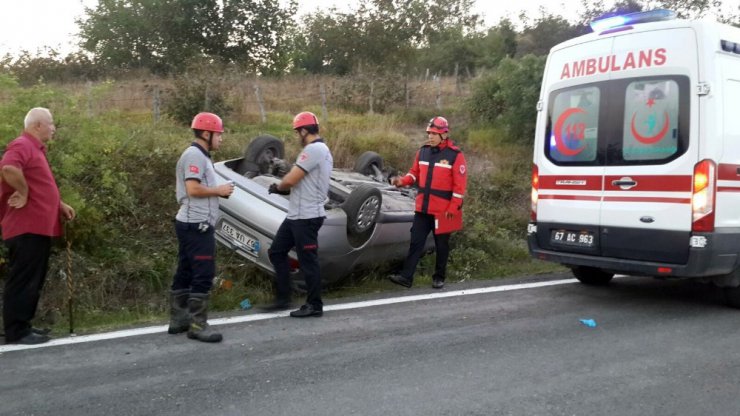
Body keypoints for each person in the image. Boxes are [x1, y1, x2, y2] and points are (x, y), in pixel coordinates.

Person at [0, 107, 75, 345]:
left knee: (33, 278)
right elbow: (8, 168)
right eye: (51, 124)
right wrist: (22, 192)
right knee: (24, 279)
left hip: (38, 226)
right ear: (37, 126)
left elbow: (40, 184)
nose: (53, 128)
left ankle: (24, 325)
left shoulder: (35, 149)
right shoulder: (22, 145)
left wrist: (58, 204)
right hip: (26, 226)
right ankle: (17, 331)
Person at [169, 112, 234, 343]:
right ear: (207, 133)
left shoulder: (200, 156)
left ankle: (179, 319)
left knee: (186, 269)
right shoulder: (195, 156)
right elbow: (193, 189)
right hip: (197, 224)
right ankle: (197, 325)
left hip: (191, 223)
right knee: (203, 273)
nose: (221, 139)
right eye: (219, 134)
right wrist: (219, 190)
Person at [264, 111, 333, 318]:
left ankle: (314, 305)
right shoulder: (319, 150)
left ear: (304, 130)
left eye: (298, 132)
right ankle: (283, 298)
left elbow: (292, 179)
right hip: (297, 215)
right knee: (276, 252)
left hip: (307, 216)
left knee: (308, 260)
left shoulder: (314, 149)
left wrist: (278, 187)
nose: (297, 136)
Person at [388, 116, 467, 289]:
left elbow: (459, 187)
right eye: (429, 133)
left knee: (442, 245)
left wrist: (453, 207)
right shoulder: (422, 151)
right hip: (423, 208)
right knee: (416, 242)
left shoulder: (455, 155)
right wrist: (401, 181)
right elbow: (414, 174)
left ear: (444, 135)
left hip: (444, 211)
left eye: (434, 133)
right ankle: (406, 277)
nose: (430, 136)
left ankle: (439, 277)